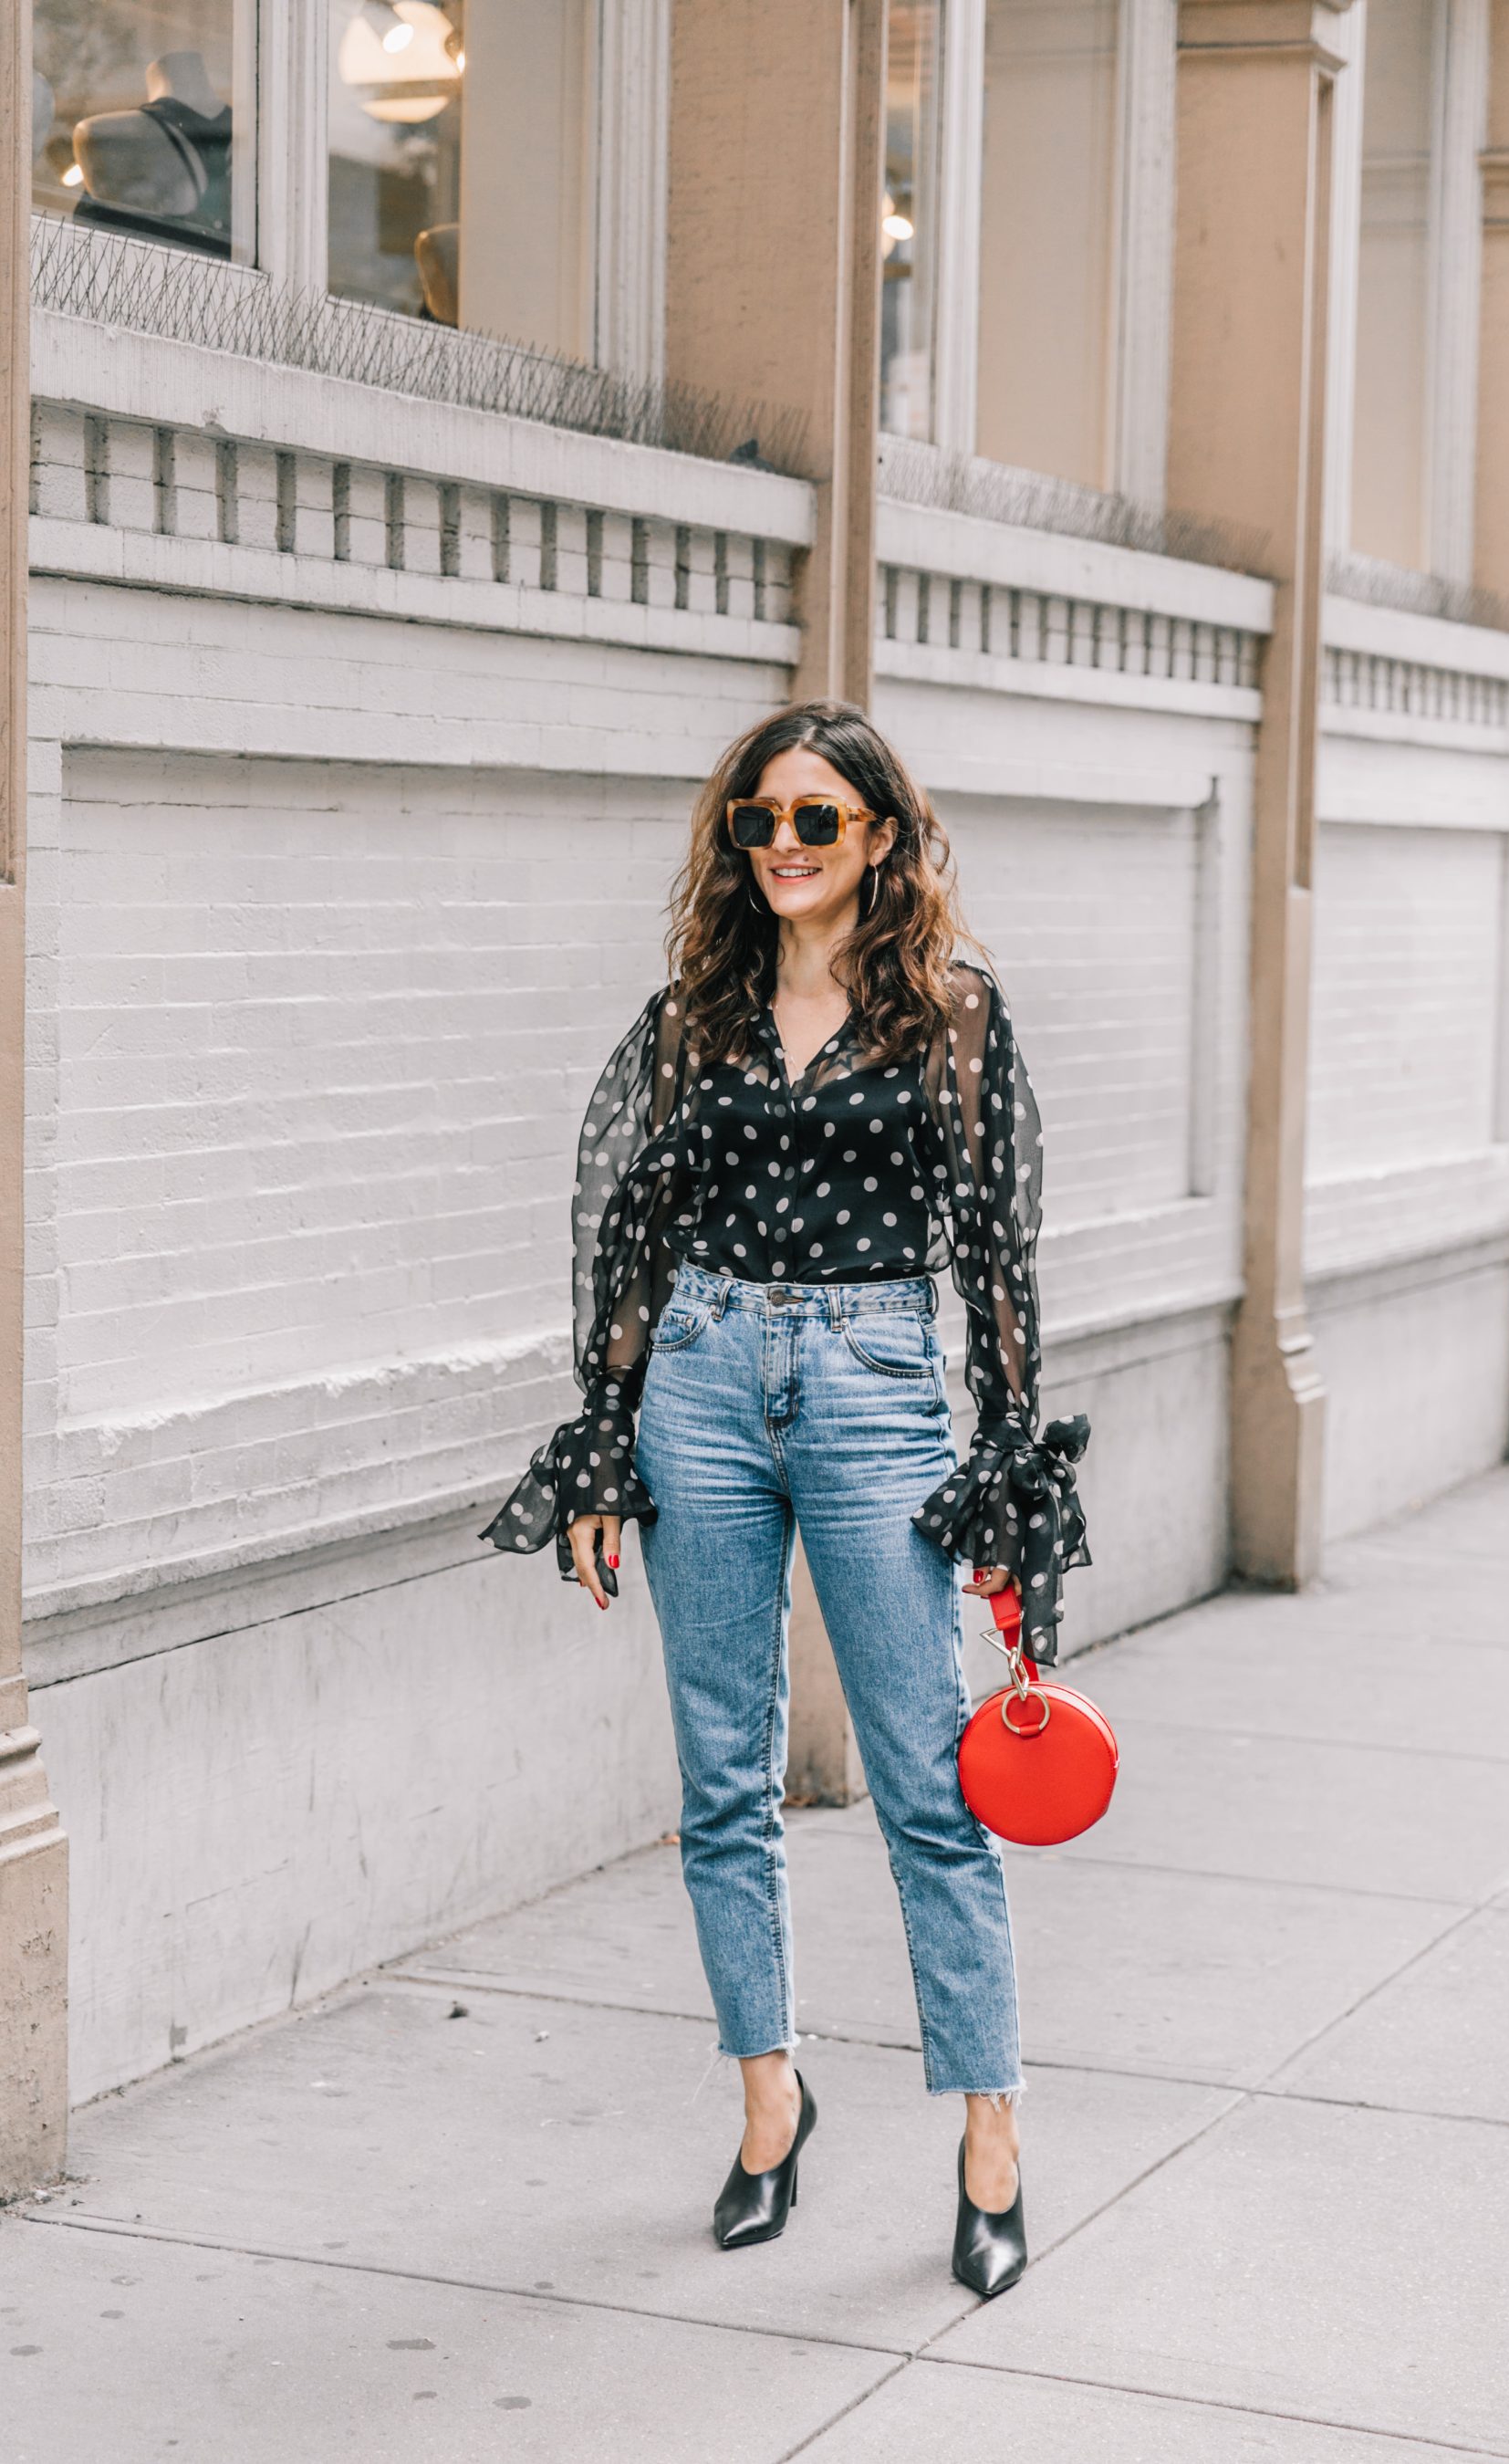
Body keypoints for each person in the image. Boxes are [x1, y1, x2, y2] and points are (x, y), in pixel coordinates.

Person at [484, 701, 1088, 2299]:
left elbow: (1003, 1267)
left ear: (881, 836)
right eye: (759, 820)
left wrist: (1010, 1474)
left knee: (928, 1786)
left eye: (817, 820)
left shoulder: (955, 1014)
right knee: (723, 1775)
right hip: (697, 1375)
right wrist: (606, 1440)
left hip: (879, 1387)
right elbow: (625, 1231)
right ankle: (770, 2106)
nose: (782, 848)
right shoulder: (694, 1012)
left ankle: (990, 2137)